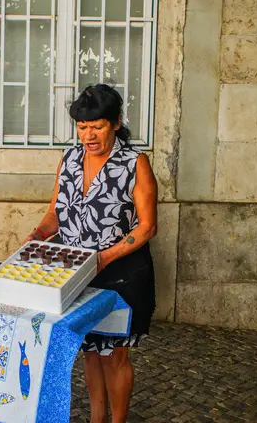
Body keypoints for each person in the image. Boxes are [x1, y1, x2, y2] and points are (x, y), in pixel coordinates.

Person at [24, 84, 157, 423]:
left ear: (116, 123)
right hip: (76, 276)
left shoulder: (135, 163)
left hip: (120, 277)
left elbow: (147, 227)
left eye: (97, 126)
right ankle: (97, 418)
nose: (88, 135)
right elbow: (56, 213)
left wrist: (104, 258)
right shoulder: (69, 159)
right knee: (90, 351)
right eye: (82, 127)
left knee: (114, 355)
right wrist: (38, 235)